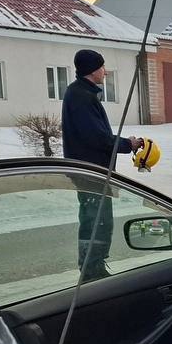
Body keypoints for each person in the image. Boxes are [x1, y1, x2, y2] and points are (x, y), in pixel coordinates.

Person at [61, 48, 149, 280]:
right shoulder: (81, 97)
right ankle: (92, 270)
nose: (105, 72)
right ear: (92, 70)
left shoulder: (80, 93)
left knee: (96, 218)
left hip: (91, 168)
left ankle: (93, 266)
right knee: (97, 220)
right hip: (91, 171)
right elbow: (97, 138)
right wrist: (128, 144)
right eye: (102, 67)